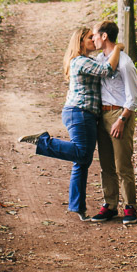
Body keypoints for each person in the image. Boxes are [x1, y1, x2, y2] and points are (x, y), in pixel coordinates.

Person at [18, 27, 120, 221]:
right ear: (80, 41)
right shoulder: (80, 61)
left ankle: (78, 207)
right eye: (90, 37)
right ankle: (43, 142)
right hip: (79, 113)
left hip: (84, 114)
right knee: (82, 154)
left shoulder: (87, 60)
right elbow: (107, 70)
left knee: (82, 161)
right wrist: (119, 48)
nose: (93, 39)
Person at [90, 20, 137, 226]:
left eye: (94, 35)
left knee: (123, 165)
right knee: (106, 164)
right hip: (101, 115)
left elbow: (134, 97)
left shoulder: (125, 63)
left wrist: (122, 120)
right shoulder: (98, 60)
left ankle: (130, 207)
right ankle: (110, 204)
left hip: (120, 115)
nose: (92, 39)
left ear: (104, 36)